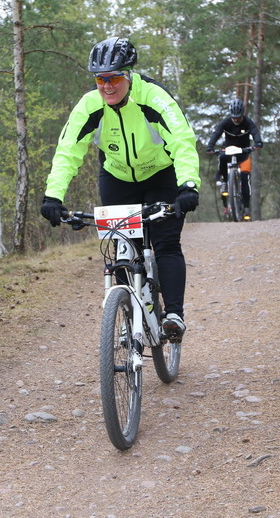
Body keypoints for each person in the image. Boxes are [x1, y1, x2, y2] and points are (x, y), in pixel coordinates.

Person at [40, 36, 201, 340]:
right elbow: (67, 151)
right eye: (100, 79)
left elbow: (182, 141)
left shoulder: (153, 98)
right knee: (123, 248)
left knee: (165, 242)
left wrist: (188, 184)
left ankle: (173, 316)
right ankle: (129, 315)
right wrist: (53, 195)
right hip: (117, 178)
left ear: (129, 75)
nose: (107, 86)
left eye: (114, 78)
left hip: (162, 175)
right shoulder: (90, 105)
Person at [206, 98, 263, 220]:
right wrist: (210, 146)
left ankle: (246, 208)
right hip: (229, 150)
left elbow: (255, 132)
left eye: (238, 117)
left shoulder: (248, 122)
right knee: (221, 157)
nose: (236, 119)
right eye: (234, 117)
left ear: (242, 114)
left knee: (245, 177)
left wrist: (258, 143)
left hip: (244, 152)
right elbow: (216, 133)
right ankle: (225, 182)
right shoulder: (226, 122)